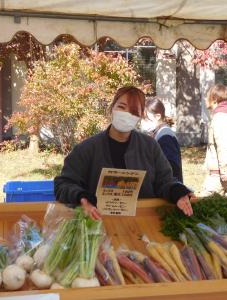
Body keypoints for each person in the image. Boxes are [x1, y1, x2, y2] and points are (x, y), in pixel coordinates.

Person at [54, 86, 194, 220]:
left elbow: (165, 181)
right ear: (112, 108)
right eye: (121, 107)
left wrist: (177, 192)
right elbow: (64, 184)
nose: (127, 114)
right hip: (97, 223)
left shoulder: (150, 147)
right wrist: (81, 196)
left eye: (134, 112)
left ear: (140, 116)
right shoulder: (87, 148)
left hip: (142, 223)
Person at [141, 98, 183, 183]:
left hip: (168, 187)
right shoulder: (157, 133)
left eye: (145, 119)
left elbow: (171, 167)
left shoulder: (165, 135)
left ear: (157, 116)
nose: (142, 122)